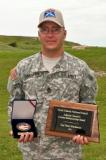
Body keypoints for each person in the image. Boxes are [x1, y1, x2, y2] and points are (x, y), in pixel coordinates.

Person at [7, 8, 97, 160]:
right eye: (45, 30)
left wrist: (84, 131)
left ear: (65, 34)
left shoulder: (81, 68)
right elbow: (16, 100)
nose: (50, 35)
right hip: (33, 152)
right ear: (39, 35)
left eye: (55, 29)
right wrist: (20, 126)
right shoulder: (24, 67)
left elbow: (88, 103)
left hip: (67, 152)